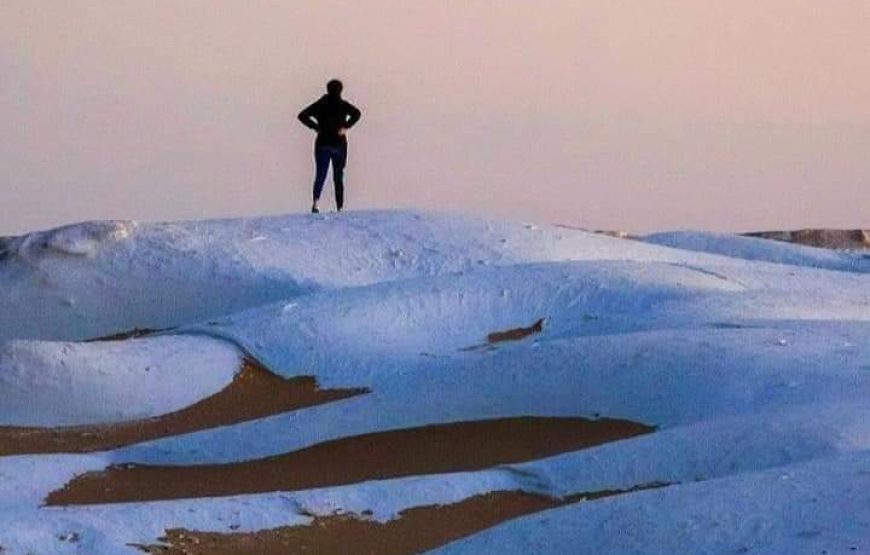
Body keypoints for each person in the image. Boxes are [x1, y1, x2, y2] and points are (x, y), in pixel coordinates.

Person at [298, 79, 362, 213]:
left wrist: (315, 127)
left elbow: (302, 115)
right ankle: (340, 207)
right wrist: (346, 127)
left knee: (321, 174)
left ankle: (315, 203)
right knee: (338, 176)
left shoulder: (321, 104)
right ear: (340, 90)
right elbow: (357, 113)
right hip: (339, 144)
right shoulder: (342, 104)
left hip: (323, 143)